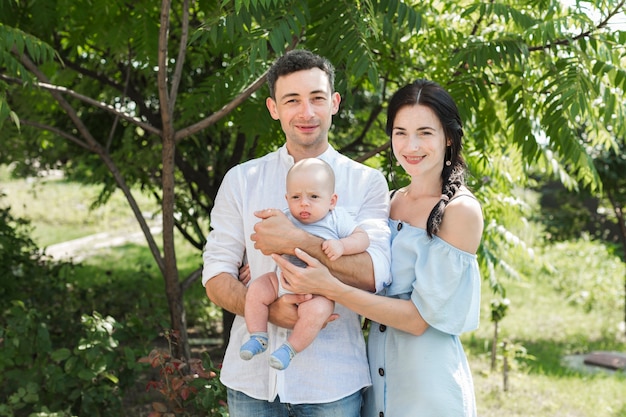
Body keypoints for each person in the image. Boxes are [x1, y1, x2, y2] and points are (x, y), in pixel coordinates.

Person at [273, 79, 484, 417]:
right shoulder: (391, 201)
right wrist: (275, 266)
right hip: (377, 385)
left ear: (448, 137)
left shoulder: (461, 211)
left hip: (427, 392)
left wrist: (329, 287)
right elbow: (356, 265)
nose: (410, 145)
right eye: (400, 132)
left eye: (425, 133)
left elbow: (417, 321)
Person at [201, 49, 391, 417]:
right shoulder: (242, 180)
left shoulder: (367, 182)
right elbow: (216, 276)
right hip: (250, 385)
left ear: (334, 103)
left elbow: (374, 275)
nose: (306, 113)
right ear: (274, 108)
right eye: (292, 100)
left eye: (317, 98)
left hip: (332, 383)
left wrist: (297, 240)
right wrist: (272, 311)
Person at [240, 158, 370, 370]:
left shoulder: (336, 218)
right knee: (256, 290)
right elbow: (268, 240)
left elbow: (362, 238)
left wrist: (342, 246)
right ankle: (258, 336)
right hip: (282, 281)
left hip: (318, 290)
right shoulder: (286, 217)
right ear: (287, 198)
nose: (304, 203)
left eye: (314, 197)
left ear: (332, 200)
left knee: (317, 312)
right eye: (296, 197)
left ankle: (289, 349)